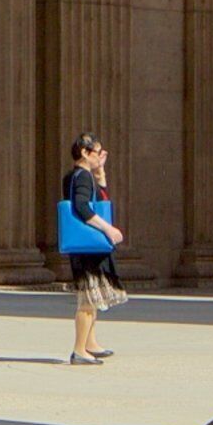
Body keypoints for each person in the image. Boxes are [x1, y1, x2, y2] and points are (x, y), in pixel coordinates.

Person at [59, 133, 123, 364]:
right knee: (87, 299)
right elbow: (83, 207)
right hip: (88, 248)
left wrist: (101, 173)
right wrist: (108, 228)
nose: (100, 156)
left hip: (82, 246)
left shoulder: (74, 176)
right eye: (97, 152)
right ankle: (79, 349)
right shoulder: (83, 176)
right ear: (85, 153)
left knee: (92, 297)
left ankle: (90, 343)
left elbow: (101, 199)